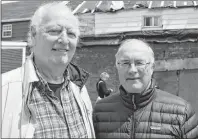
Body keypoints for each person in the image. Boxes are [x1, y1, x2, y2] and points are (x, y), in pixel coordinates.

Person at [2, 2, 95, 138]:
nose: (64, 40)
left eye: (71, 34)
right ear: (34, 34)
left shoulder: (80, 89)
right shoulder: (4, 90)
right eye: (54, 31)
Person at [93, 39, 198, 138]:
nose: (132, 70)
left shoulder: (181, 112)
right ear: (117, 66)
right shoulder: (100, 111)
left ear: (152, 67)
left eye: (139, 63)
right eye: (125, 63)